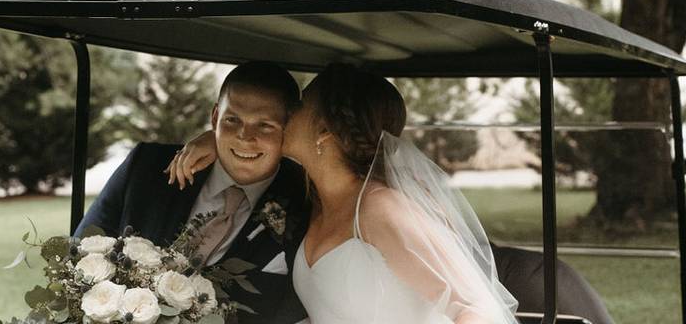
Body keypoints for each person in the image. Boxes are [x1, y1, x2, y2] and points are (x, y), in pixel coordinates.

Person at [168, 63, 520, 324]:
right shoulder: (314, 200)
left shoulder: (382, 209)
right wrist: (213, 140)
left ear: (324, 131)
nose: (289, 112)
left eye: (301, 105)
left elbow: (477, 309)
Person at [75, 61, 311, 324]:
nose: (245, 136)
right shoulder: (146, 166)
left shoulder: (307, 197)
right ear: (214, 118)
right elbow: (79, 253)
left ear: (289, 128)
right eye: (233, 120)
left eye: (265, 125)